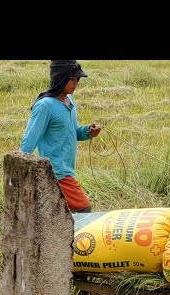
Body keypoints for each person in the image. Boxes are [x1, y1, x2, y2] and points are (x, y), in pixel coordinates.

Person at [20, 60, 101, 213]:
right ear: (60, 78)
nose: (75, 83)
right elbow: (28, 142)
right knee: (83, 209)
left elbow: (74, 131)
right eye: (71, 79)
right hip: (56, 173)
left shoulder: (69, 101)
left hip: (68, 170)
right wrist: (20, 178)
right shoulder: (45, 106)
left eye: (77, 79)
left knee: (58, 215)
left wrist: (88, 131)